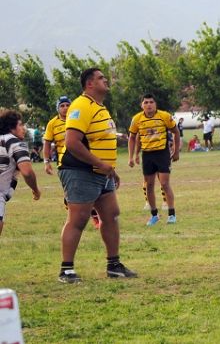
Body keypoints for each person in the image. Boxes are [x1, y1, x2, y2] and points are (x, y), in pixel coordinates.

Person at [58, 67, 137, 283]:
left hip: (101, 172)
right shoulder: (81, 105)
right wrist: (100, 164)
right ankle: (66, 270)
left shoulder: (100, 107)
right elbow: (72, 143)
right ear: (90, 84)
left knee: (111, 214)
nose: (106, 80)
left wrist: (110, 169)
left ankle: (114, 265)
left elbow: (100, 142)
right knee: (78, 219)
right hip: (80, 170)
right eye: (101, 78)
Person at [44, 96, 102, 229]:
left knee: (89, 190)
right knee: (69, 195)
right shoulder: (52, 124)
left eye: (67, 105)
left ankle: (94, 217)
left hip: (83, 161)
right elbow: (47, 143)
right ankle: (75, 219)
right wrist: (46, 161)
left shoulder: (78, 118)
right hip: (65, 165)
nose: (65, 108)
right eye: (62, 106)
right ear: (58, 108)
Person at [128, 94, 181, 225]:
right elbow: (132, 137)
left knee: (164, 183)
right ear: (142, 105)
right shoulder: (137, 119)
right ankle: (154, 215)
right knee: (149, 185)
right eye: (146, 102)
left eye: (151, 102)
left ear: (155, 104)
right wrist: (131, 156)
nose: (149, 105)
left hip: (162, 154)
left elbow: (176, 132)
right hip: (147, 155)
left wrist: (176, 151)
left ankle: (172, 214)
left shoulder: (164, 116)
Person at [1, 109, 42, 237]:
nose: (24, 128)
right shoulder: (16, 143)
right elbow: (27, 172)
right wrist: (36, 189)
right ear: (11, 127)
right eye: (20, 125)